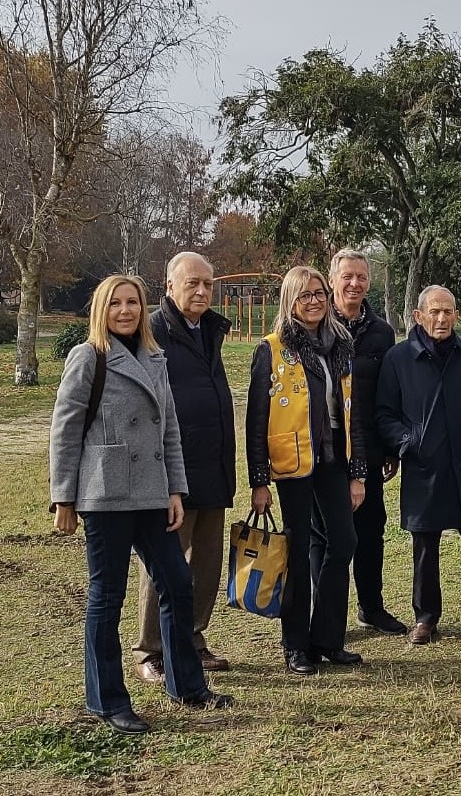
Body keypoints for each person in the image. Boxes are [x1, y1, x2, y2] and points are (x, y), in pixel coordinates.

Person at [49, 274, 232, 735]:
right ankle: (107, 700)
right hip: (105, 493)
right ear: (101, 310)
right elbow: (65, 430)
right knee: (106, 597)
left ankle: (187, 685)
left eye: (133, 302)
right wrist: (63, 499)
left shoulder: (155, 356)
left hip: (152, 492)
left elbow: (168, 428)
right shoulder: (88, 357)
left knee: (176, 581)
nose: (126, 311)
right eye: (116, 304)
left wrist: (175, 490)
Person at [246, 266, 367, 674]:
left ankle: (327, 637)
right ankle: (295, 644)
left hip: (333, 459)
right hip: (292, 464)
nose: (314, 301)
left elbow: (353, 413)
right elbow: (256, 420)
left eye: (318, 293)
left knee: (345, 541)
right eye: (304, 296)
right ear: (290, 302)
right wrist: (259, 481)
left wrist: (358, 472)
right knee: (295, 551)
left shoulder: (341, 343)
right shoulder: (273, 348)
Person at [375, 285, 461, 645]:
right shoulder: (398, 359)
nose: (442, 318)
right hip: (424, 466)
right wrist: (408, 442)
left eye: (448, 311)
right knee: (425, 544)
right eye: (434, 312)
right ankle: (426, 618)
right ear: (418, 317)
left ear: (457, 315)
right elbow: (385, 414)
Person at [133, 252, 235, 683]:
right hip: (171, 469)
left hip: (212, 464)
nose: (201, 291)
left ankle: (193, 637)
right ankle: (149, 650)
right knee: (164, 562)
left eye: (208, 284)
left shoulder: (211, 329)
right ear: (169, 286)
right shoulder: (153, 331)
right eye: (192, 283)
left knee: (207, 561)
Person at [312, 248, 406, 636]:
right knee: (326, 536)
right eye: (347, 276)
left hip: (367, 450)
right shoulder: (315, 325)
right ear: (332, 280)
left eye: (361, 277)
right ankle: (325, 614)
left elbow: (387, 396)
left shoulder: (382, 332)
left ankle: (372, 607)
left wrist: (387, 449)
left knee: (371, 530)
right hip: (325, 450)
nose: (354, 284)